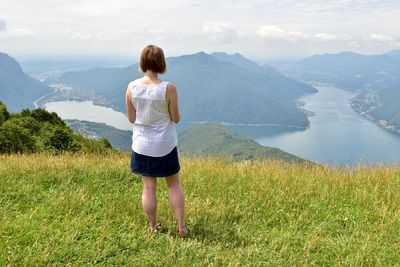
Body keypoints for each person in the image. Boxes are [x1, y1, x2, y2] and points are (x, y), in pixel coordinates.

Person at [125, 44, 187, 236]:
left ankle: (153, 226)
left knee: (149, 187)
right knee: (174, 184)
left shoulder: (132, 87)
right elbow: (175, 118)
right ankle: (181, 227)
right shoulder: (168, 88)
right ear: (161, 63)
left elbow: (132, 118)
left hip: (142, 145)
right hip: (165, 145)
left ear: (143, 62)